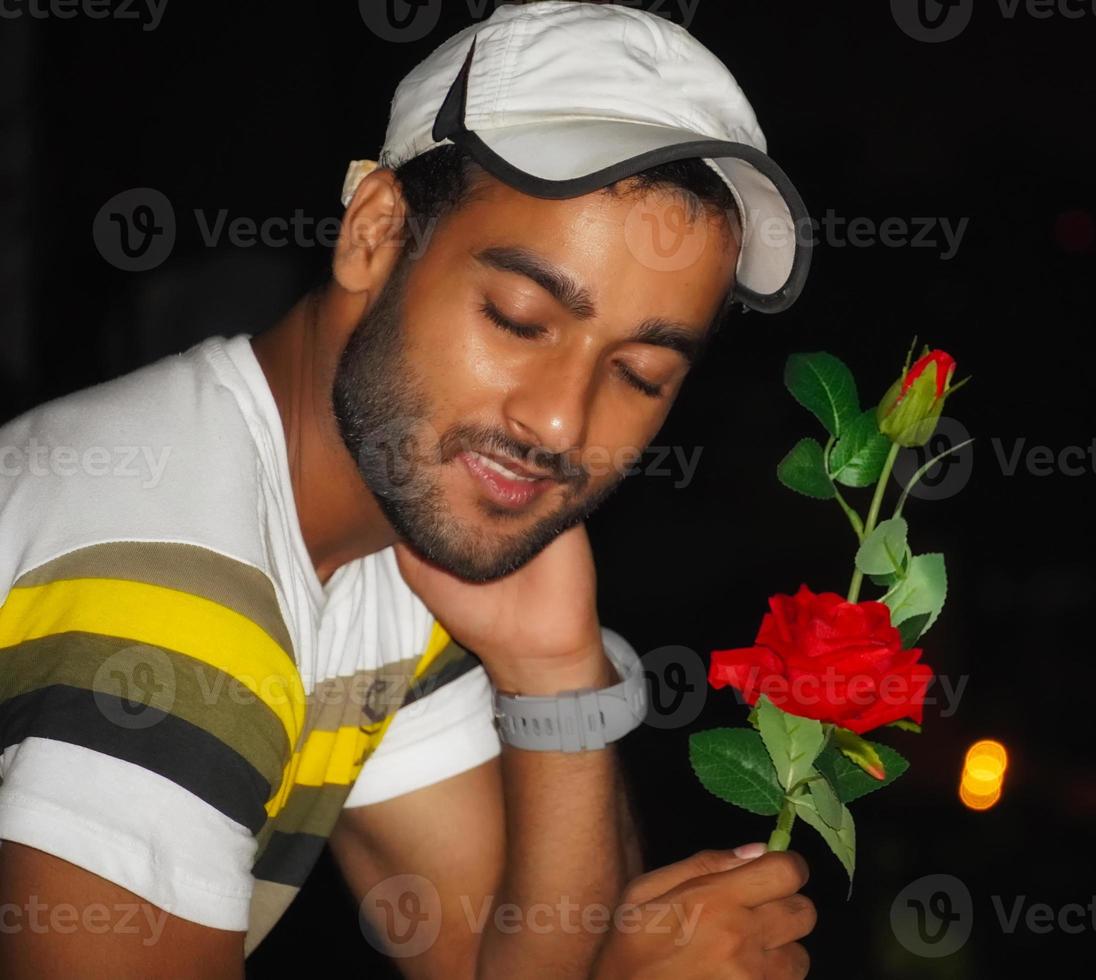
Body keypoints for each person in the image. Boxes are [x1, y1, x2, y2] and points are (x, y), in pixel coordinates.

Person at [0, 2, 816, 976]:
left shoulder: (390, 526)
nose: (560, 422)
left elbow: (491, 957)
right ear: (375, 233)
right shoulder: (173, 598)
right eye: (520, 319)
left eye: (640, 373)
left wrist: (556, 673)